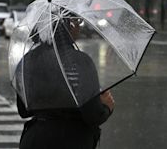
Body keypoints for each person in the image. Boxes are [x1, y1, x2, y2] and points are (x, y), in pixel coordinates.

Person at [17, 17, 115, 149]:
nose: (79, 27)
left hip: (36, 140)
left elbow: (23, 110)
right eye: (76, 22)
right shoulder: (81, 62)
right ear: (68, 27)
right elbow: (92, 115)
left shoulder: (28, 60)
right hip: (72, 140)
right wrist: (106, 107)